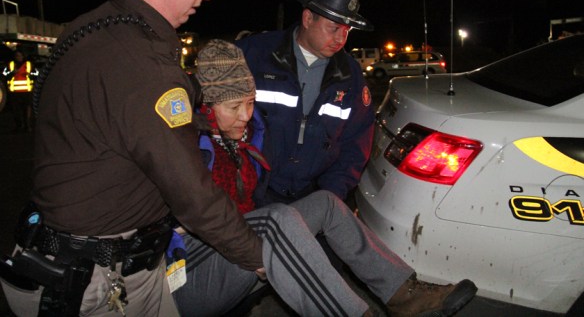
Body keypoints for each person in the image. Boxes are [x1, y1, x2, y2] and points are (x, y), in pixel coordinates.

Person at [0, 0, 265, 316]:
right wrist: (259, 257)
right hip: (100, 283)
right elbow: (193, 194)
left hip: (83, 260)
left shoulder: (89, 29)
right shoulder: (146, 66)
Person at [170, 39, 478, 317]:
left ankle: (403, 295)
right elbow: (208, 219)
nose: (245, 115)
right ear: (207, 105)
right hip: (188, 276)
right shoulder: (190, 147)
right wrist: (261, 250)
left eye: (251, 103)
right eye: (234, 106)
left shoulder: (245, 137)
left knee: (327, 203)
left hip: (241, 246)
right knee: (278, 222)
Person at [235, 0, 375, 207]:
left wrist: (328, 197)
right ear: (308, 19)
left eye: (347, 31)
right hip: (251, 193)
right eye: (334, 28)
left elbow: (356, 143)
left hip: (313, 197)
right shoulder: (254, 55)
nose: (341, 38)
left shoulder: (350, 76)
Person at [1, 50, 38, 132]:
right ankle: (19, 125)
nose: (19, 57)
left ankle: (27, 125)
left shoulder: (28, 65)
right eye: (17, 56)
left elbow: (37, 74)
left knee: (26, 109)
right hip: (14, 92)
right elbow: (4, 74)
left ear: (23, 56)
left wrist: (29, 74)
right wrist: (12, 73)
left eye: (20, 56)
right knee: (16, 110)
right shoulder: (11, 65)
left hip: (26, 91)